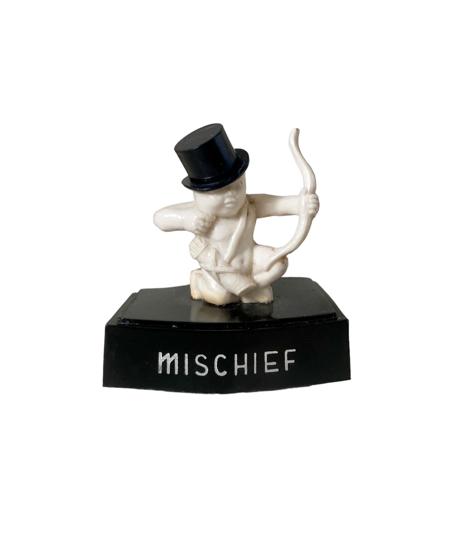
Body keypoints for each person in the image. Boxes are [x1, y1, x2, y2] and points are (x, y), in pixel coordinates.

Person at [154, 124, 319, 305]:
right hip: (218, 267)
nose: (232, 196)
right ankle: (200, 280)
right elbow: (160, 218)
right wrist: (187, 220)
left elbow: (275, 204)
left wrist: (300, 204)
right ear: (198, 195)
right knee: (222, 298)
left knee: (278, 263)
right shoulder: (198, 213)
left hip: (249, 258)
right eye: (220, 192)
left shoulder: (248, 205)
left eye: (238, 186)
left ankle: (252, 289)